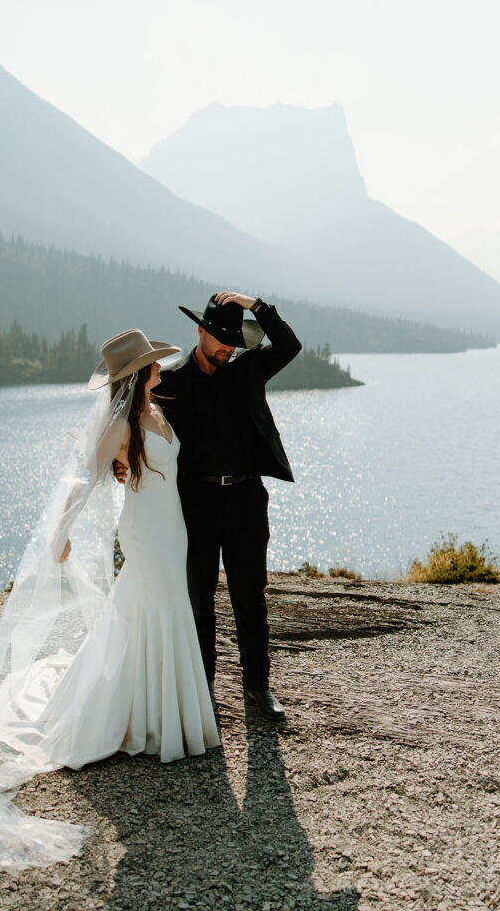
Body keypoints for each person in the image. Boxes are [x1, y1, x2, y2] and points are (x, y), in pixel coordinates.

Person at [0, 329, 219, 875]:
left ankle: (163, 715)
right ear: (139, 372)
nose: (160, 368)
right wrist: (62, 531)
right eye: (152, 364)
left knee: (164, 610)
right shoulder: (121, 423)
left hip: (174, 530)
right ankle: (149, 719)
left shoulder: (155, 410)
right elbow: (85, 478)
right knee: (150, 608)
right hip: (146, 531)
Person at [117, 291, 302, 722]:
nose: (227, 347)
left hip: (245, 500)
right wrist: (118, 462)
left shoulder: (249, 369)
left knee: (250, 599)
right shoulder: (171, 382)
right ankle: (203, 695)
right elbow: (135, 427)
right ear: (199, 331)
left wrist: (257, 305)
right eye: (219, 338)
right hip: (193, 504)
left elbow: (290, 346)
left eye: (233, 340)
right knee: (199, 603)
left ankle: (258, 689)